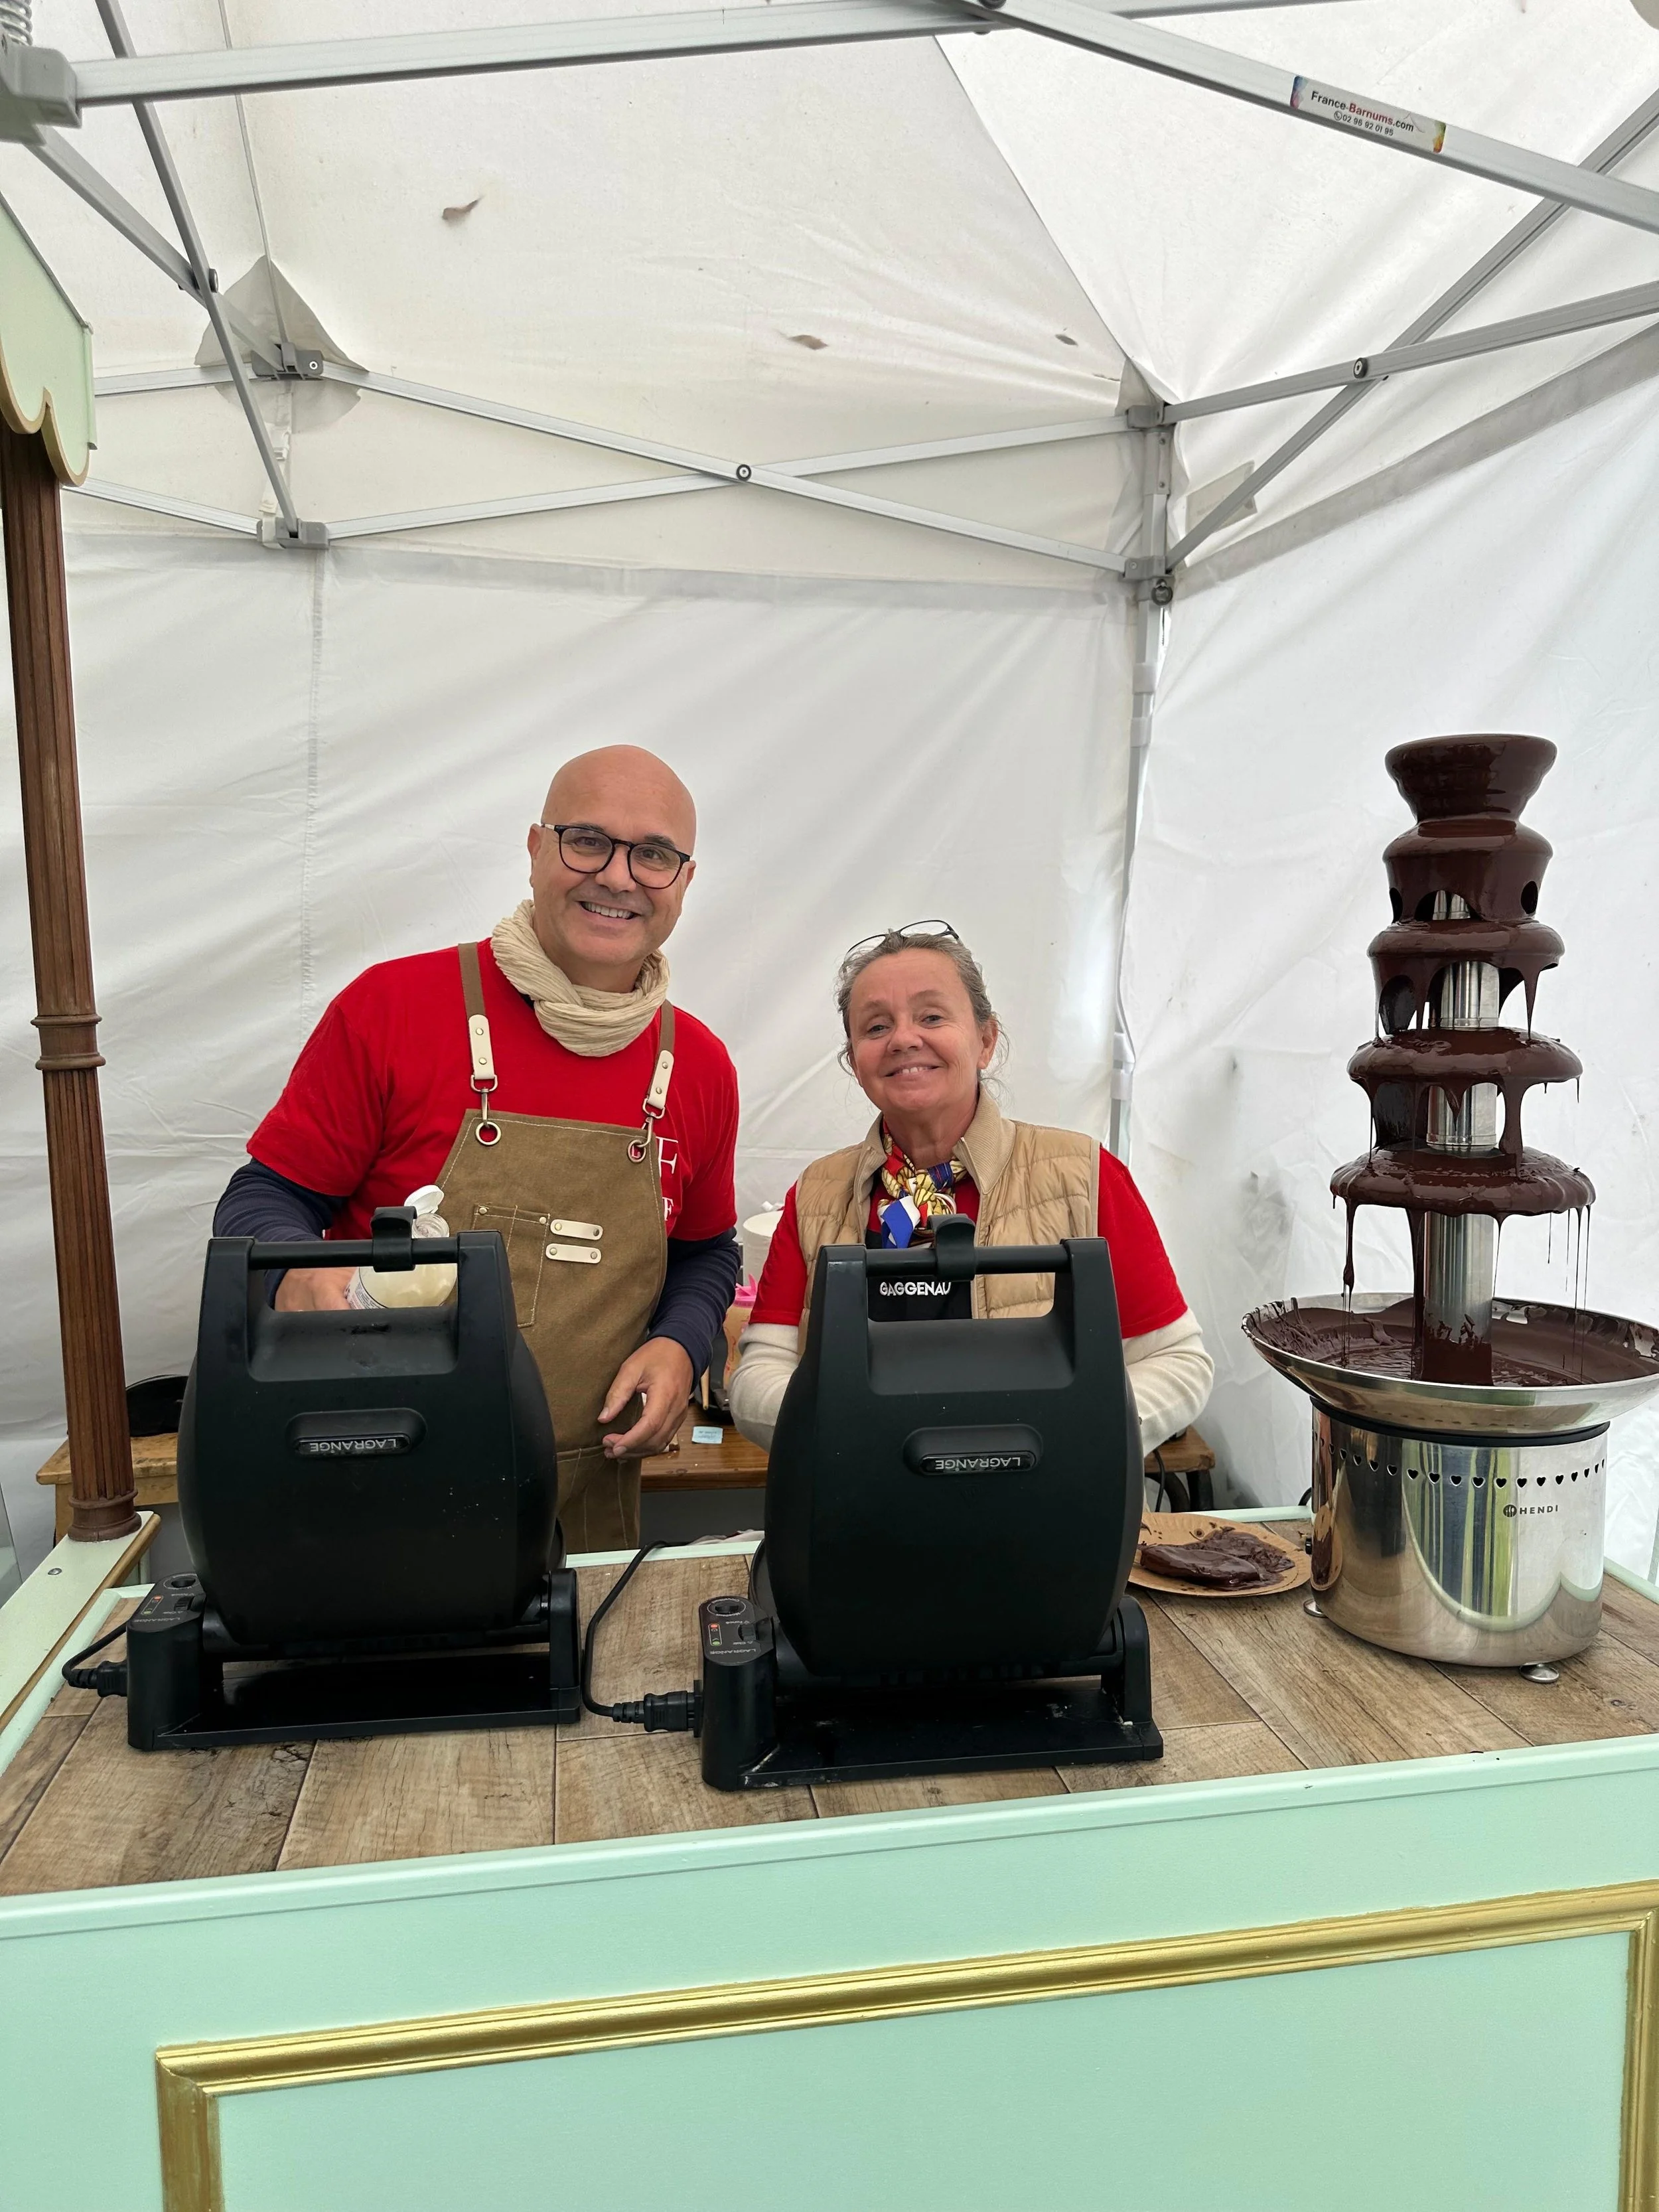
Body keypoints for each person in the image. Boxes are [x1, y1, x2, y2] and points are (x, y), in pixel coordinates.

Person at [214, 745, 741, 1550]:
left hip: (586, 1506)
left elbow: (706, 1253)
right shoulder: (391, 1008)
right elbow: (263, 1198)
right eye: (587, 840)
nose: (619, 876)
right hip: (372, 1486)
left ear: (685, 881)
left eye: (655, 855)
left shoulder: (698, 1065)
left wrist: (681, 1341)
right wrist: (294, 1266)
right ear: (535, 850)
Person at [728, 923, 1211, 1461]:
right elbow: (757, 1379)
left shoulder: (1084, 1175)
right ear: (856, 1062)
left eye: (932, 1016)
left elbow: (1179, 1363)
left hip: (1042, 1512)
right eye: (876, 1026)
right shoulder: (817, 1195)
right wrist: (867, 1435)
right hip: (865, 1512)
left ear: (985, 1039)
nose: (904, 1038)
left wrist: (1059, 1434)